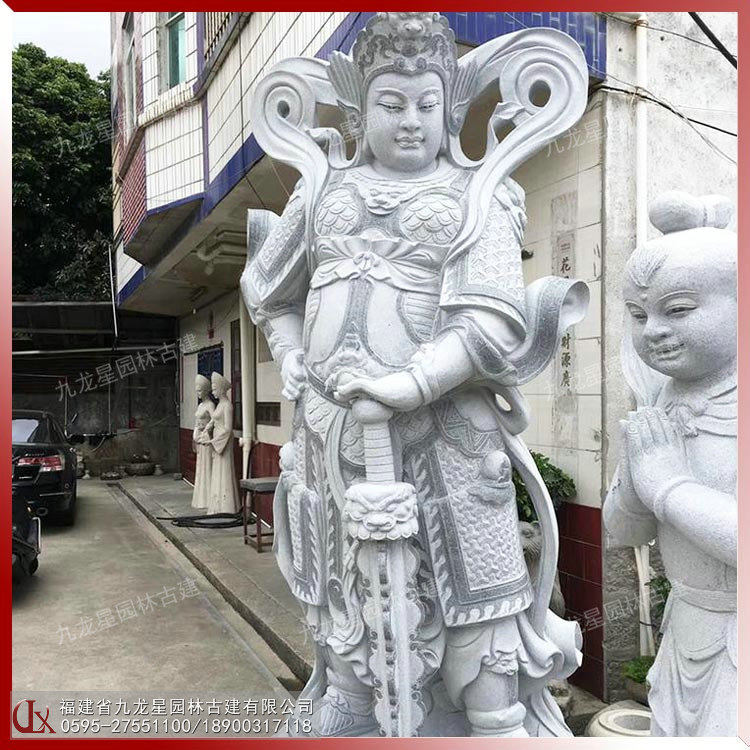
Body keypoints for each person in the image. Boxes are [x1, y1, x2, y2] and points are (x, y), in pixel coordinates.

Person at [242, 12, 588, 737]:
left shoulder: (480, 191)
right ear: (360, 112)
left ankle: (493, 714)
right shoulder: (321, 192)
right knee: (341, 576)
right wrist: (290, 349)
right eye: (391, 104)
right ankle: (349, 694)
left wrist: (415, 383)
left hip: (448, 429)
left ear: (450, 109)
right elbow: (269, 290)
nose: (410, 121)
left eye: (426, 104)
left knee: (475, 578)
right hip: (335, 430)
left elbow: (492, 318)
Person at [603, 191, 737, 736]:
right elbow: (624, 531)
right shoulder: (661, 400)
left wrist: (669, 487)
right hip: (685, 626)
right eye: (639, 315)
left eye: (677, 310)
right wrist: (637, 480)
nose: (652, 331)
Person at [207, 372, 240, 514]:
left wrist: (214, 441)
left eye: (215, 389)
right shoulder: (220, 404)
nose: (213, 392)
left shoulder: (227, 406)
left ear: (221, 389)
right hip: (217, 440)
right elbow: (213, 420)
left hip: (223, 442)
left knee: (224, 471)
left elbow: (228, 428)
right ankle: (217, 505)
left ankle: (227, 506)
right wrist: (207, 431)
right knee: (217, 471)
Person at [191, 374, 214, 510]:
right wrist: (195, 435)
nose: (198, 393)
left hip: (206, 440)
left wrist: (206, 429)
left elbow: (215, 419)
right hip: (199, 439)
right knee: (200, 469)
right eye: (197, 391)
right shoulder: (200, 405)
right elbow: (196, 422)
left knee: (207, 468)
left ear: (206, 390)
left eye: (200, 390)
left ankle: (208, 499)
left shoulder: (210, 405)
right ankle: (200, 498)